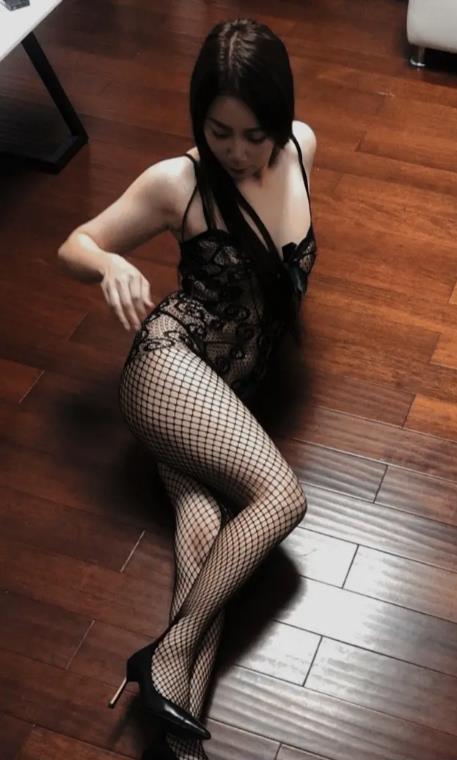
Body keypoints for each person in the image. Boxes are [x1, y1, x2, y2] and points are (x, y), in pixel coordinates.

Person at [58, 17, 317, 760]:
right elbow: (74, 243)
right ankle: (167, 656)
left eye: (254, 134)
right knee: (281, 499)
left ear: (281, 119)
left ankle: (177, 744)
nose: (237, 151)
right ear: (198, 118)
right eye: (218, 131)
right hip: (169, 369)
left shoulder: (303, 148)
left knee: (205, 534)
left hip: (231, 390)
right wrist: (110, 265)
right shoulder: (177, 181)